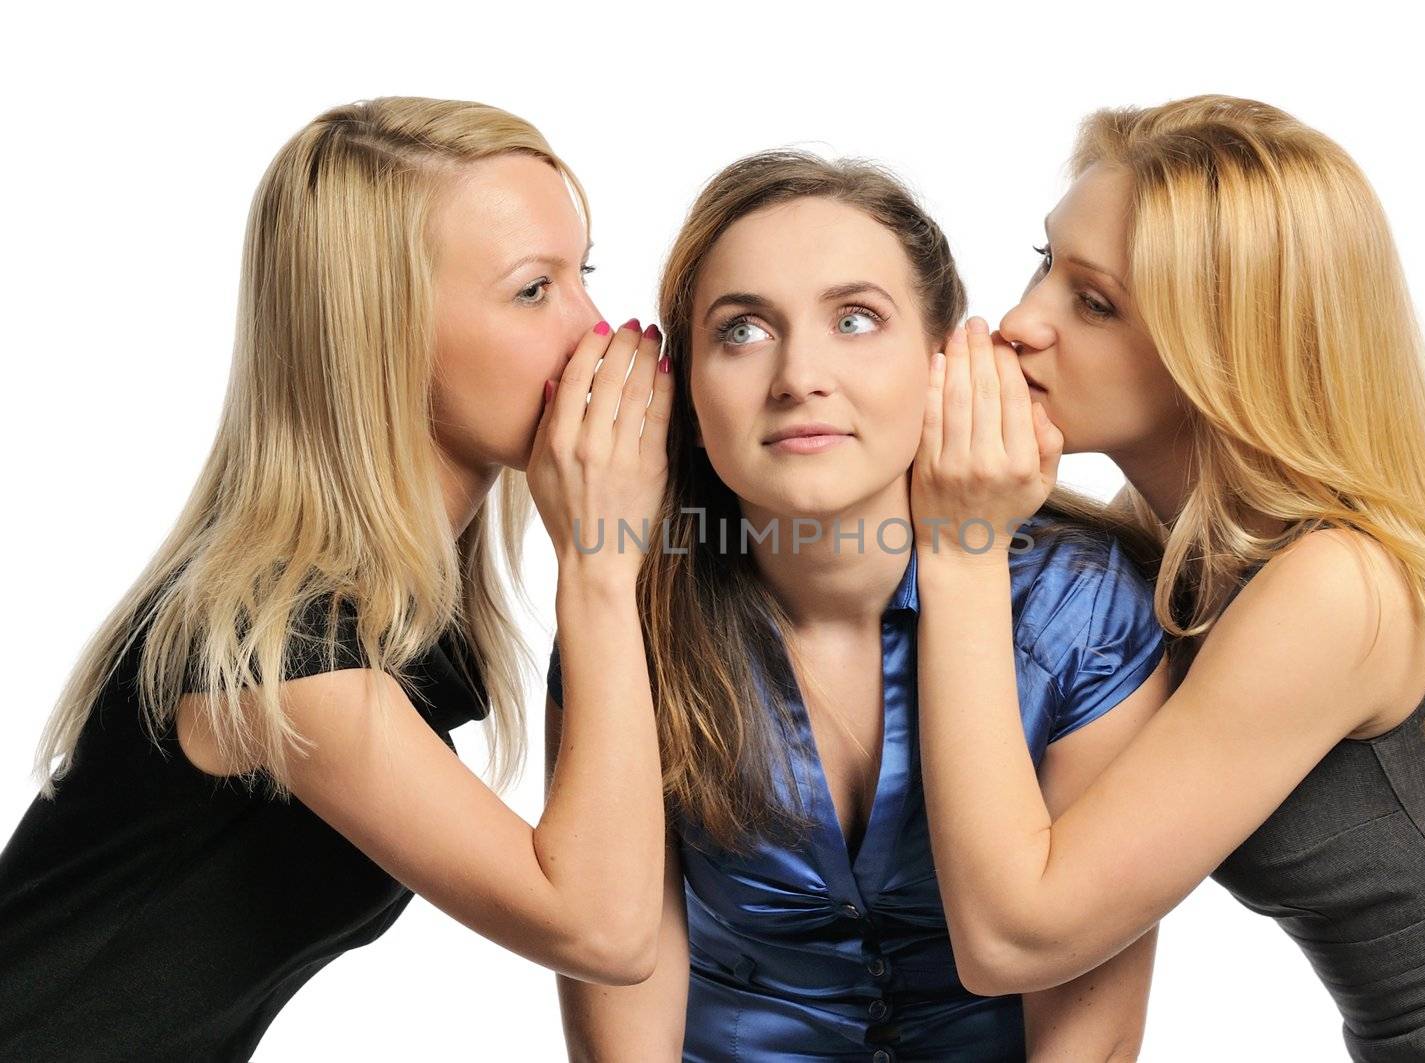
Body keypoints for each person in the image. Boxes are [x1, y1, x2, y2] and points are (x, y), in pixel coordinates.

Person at [913, 94, 1425, 1061]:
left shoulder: (1337, 589)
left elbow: (1014, 934)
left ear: (1224, 352)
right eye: (1044, 263)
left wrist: (961, 550)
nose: (1023, 322)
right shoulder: (1184, 553)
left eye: (1095, 302)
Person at [0, 96, 674, 1062]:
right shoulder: (276, 644)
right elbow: (603, 929)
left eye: (585, 275)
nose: (593, 330)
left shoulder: (385, 613)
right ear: (382, 335)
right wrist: (600, 565)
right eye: (534, 291)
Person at [549, 150, 1171, 1062]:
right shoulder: (627, 616)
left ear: (943, 356)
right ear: (685, 382)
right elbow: (622, 1022)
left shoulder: (1080, 610)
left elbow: (1090, 1043)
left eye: (854, 319)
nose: (800, 374)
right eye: (743, 331)